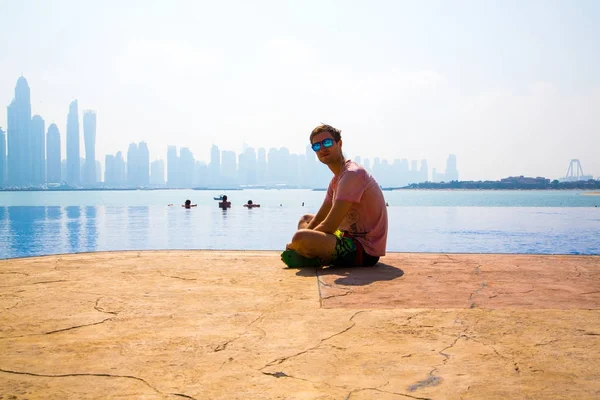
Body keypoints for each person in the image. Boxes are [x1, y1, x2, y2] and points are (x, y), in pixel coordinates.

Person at [282, 124, 388, 268]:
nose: (322, 148)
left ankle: (310, 256)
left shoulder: (352, 174)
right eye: (316, 146)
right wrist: (304, 238)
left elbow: (329, 225)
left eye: (327, 142)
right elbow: (320, 217)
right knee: (306, 220)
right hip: (345, 236)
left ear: (339, 143)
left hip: (364, 250)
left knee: (300, 237)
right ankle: (311, 255)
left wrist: (297, 243)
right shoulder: (335, 181)